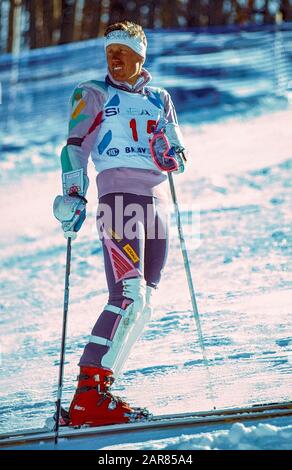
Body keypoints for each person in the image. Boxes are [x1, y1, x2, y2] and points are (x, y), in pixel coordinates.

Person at [53, 20, 187, 427]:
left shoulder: (159, 98)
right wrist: (73, 196)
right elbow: (74, 148)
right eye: (109, 51)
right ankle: (86, 395)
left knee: (143, 304)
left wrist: (170, 153)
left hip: (157, 204)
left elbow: (178, 156)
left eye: (122, 52)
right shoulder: (93, 92)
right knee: (126, 295)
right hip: (119, 200)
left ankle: (101, 392)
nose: (113, 58)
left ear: (140, 58)